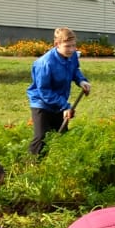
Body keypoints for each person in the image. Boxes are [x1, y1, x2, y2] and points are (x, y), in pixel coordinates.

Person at [26, 27, 91, 156]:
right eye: (67, 46)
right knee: (42, 137)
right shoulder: (44, 63)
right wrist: (65, 106)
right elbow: (44, 91)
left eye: (73, 46)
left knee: (61, 134)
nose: (72, 49)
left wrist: (81, 81)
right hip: (42, 103)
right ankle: (32, 164)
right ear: (57, 44)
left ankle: (55, 161)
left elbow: (75, 70)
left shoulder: (72, 56)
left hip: (59, 102)